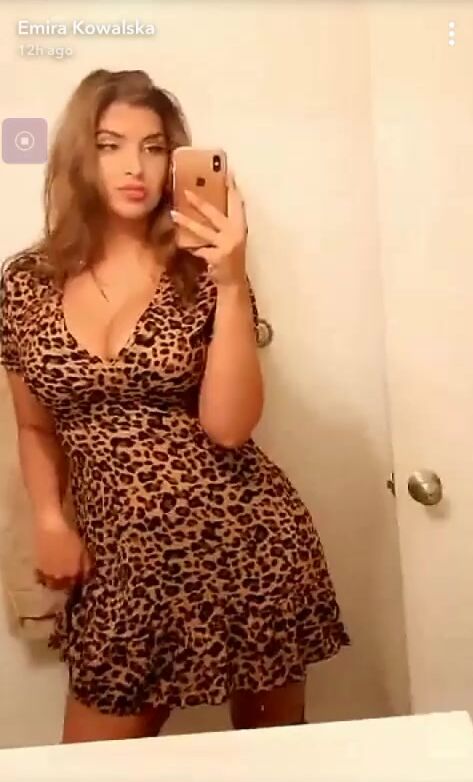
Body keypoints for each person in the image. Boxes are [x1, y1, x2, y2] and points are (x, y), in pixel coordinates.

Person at [0, 69, 349, 743]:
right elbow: (34, 423)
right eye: (110, 145)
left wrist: (232, 280)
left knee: (276, 770)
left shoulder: (201, 270)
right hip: (122, 571)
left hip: (247, 548)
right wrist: (47, 517)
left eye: (154, 147)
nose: (135, 166)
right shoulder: (25, 284)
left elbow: (229, 426)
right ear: (78, 155)